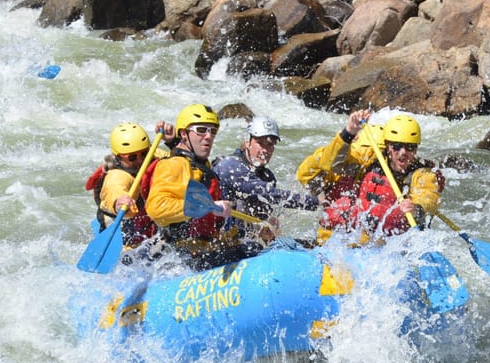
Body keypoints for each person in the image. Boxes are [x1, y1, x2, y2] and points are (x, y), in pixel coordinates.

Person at [144, 103, 261, 270]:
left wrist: (257, 227)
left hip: (204, 247)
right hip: (180, 254)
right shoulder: (173, 165)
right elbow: (156, 208)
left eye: (212, 131)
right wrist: (208, 207)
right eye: (201, 130)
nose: (208, 136)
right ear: (184, 133)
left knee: (255, 248)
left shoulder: (199, 163)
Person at [213, 115, 319, 242]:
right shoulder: (230, 166)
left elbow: (262, 214)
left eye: (270, 144)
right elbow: (268, 194)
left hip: (242, 239)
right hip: (219, 240)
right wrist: (316, 202)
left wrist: (267, 225)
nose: (265, 150)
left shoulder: (267, 176)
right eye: (260, 143)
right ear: (247, 142)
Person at [354, 114, 443, 240]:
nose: (403, 153)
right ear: (388, 146)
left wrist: (416, 208)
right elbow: (335, 159)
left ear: (416, 150)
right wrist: (347, 134)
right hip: (364, 238)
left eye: (410, 147)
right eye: (396, 146)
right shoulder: (372, 159)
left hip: (399, 242)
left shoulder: (423, 174)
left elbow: (428, 198)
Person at [296, 108, 377, 244]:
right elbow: (304, 175)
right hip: (328, 243)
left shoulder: (380, 175)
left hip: (364, 247)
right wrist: (348, 134)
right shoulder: (333, 168)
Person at [84, 122, 167, 249]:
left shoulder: (153, 156)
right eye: (132, 157)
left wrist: (173, 141)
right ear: (118, 157)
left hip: (148, 231)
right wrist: (118, 202)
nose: (140, 160)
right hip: (124, 240)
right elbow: (114, 191)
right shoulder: (116, 176)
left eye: (144, 153)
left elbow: (174, 159)